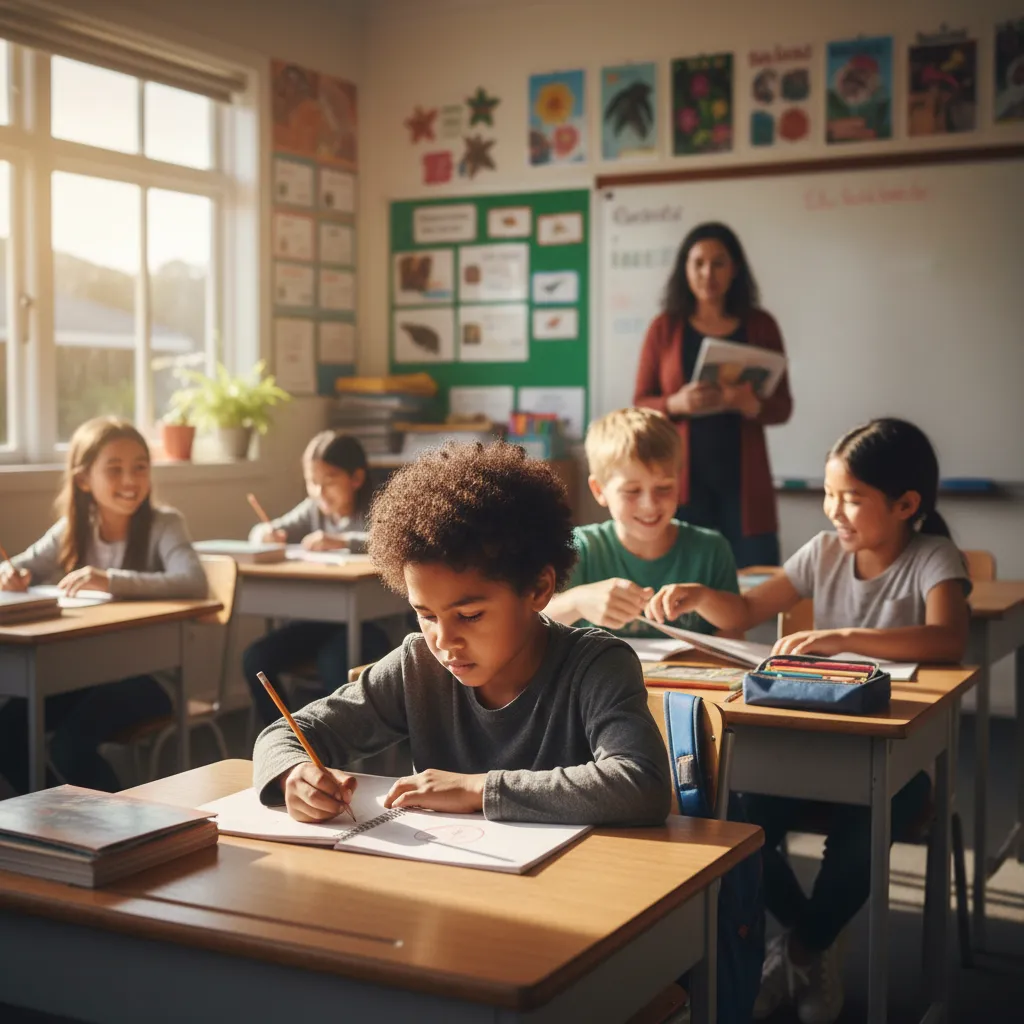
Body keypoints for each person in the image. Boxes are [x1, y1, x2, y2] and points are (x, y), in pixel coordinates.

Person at [645, 418, 970, 1024]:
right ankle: (813, 939)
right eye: (828, 493)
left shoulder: (932, 555)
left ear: (906, 504)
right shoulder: (822, 551)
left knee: (868, 829)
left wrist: (845, 637)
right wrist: (700, 597)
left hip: (891, 756)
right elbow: (747, 608)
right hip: (809, 742)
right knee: (733, 821)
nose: (833, 510)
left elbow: (948, 637)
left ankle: (799, 949)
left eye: (852, 497)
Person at [253, 442, 671, 827]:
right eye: (426, 615)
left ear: (538, 589)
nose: (443, 640)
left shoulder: (596, 665)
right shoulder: (418, 667)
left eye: (469, 615)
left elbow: (640, 784)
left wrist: (478, 789)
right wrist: (295, 774)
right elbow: (283, 733)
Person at [0, 417, 207, 794]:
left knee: (70, 745)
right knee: (7, 731)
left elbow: (193, 581)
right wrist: (8, 575)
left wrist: (110, 579)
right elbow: (16, 567)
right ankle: (56, 816)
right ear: (83, 480)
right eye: (114, 469)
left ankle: (108, 826)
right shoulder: (71, 528)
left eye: (140, 467)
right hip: (80, 674)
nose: (130, 480)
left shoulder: (164, 524)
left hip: (150, 679)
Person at [634, 221, 792, 567]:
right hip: (683, 482)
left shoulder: (761, 325)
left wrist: (752, 405)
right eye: (699, 263)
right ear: (685, 269)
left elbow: (783, 407)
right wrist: (676, 403)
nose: (708, 273)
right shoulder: (665, 327)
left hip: (744, 484)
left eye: (718, 263)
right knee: (685, 579)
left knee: (755, 581)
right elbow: (640, 403)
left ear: (734, 269)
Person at [545, 407, 740, 638]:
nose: (649, 505)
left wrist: (704, 598)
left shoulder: (711, 550)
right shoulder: (579, 548)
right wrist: (576, 602)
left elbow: (736, 630)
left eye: (664, 488)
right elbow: (531, 626)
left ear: (679, 483)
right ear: (599, 490)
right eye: (632, 491)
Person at [243, 430, 392, 726]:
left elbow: (389, 540)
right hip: (321, 622)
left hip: (372, 625)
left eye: (329, 481)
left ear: (356, 478)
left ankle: (343, 741)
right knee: (255, 659)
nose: (320, 491)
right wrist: (267, 534)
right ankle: (291, 736)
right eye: (312, 482)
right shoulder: (314, 508)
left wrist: (342, 541)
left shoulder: (379, 506)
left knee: (333, 662)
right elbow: (259, 533)